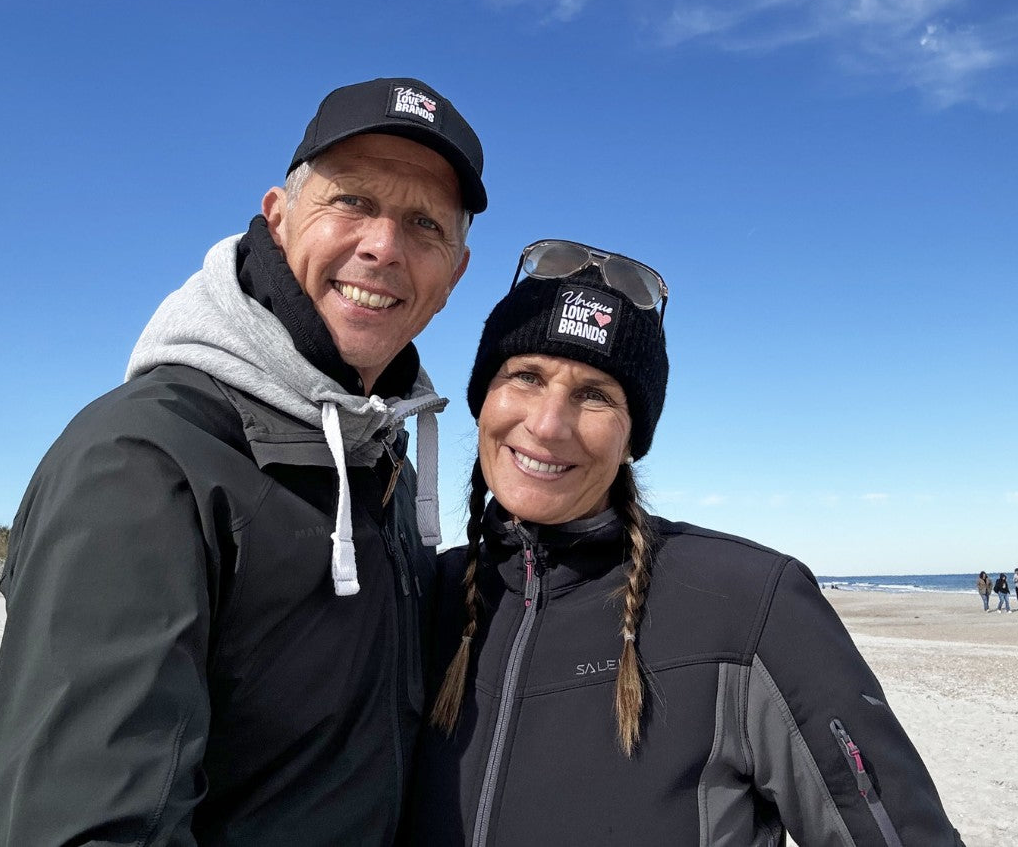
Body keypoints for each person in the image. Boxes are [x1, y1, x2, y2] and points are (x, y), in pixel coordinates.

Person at [0, 78, 487, 847]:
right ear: (279, 219)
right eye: (352, 201)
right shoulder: (146, 462)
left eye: (424, 224)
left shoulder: (383, 468)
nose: (383, 246)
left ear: (453, 276)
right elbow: (87, 827)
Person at [409, 243, 961, 845]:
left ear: (632, 437)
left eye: (595, 394)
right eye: (526, 377)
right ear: (484, 398)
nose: (547, 424)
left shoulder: (750, 603)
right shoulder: (420, 594)